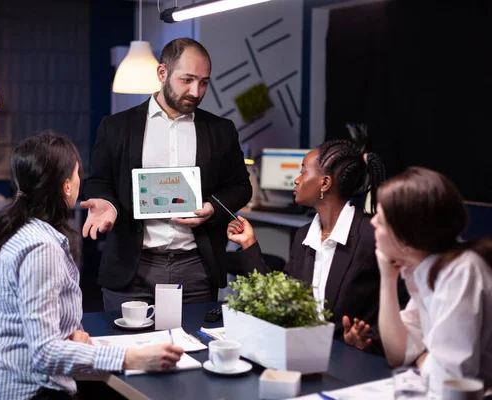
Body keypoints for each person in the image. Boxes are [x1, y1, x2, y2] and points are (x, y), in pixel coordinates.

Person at [0, 133, 183, 400]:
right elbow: (45, 352)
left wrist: (70, 336)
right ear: (66, 187)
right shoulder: (41, 247)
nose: (80, 179)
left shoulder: (16, 230)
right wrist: (132, 358)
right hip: (27, 390)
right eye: (77, 173)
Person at [82, 38, 252, 312]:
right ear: (162, 73)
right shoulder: (116, 127)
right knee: (126, 349)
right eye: (187, 80)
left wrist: (212, 207)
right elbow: (100, 181)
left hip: (197, 268)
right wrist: (107, 203)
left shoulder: (221, 130)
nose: (196, 91)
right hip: (132, 267)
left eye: (204, 82)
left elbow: (241, 187)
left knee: (195, 348)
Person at [227, 139, 399, 352]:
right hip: (303, 350)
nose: (296, 180)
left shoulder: (372, 236)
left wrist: (369, 339)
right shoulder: (304, 236)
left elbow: (404, 307)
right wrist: (249, 244)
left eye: (303, 172)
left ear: (325, 183)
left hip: (353, 360)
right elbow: (281, 298)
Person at [369, 167, 492, 395]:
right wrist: (388, 278)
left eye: (381, 220)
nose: (373, 223)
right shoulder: (424, 267)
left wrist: (425, 360)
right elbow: (398, 353)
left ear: (406, 238)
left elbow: (450, 381)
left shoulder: (461, 272)